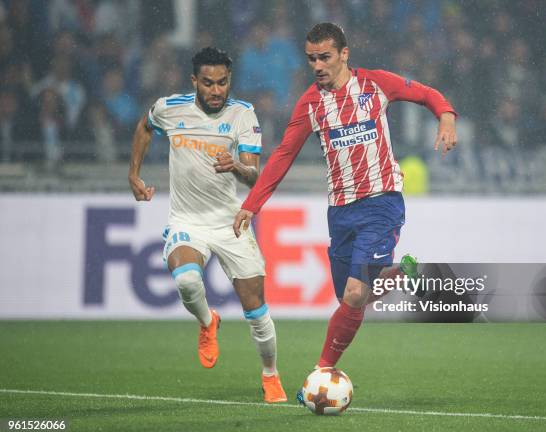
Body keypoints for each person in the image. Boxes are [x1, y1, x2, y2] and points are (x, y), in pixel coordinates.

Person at [234, 23, 457, 372]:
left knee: (354, 294)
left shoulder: (374, 83)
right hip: (339, 210)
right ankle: (405, 274)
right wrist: (252, 205)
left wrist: (446, 118)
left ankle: (323, 371)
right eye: (312, 59)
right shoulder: (310, 103)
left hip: (381, 202)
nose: (318, 65)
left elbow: (428, 94)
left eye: (325, 57)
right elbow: (282, 156)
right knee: (351, 299)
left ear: (344, 54)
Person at [128, 47, 287, 403]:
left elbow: (253, 176)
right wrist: (133, 173)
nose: (217, 90)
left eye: (223, 82)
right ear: (194, 81)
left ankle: (270, 374)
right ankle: (207, 321)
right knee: (186, 279)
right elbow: (144, 126)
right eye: (209, 83)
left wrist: (238, 167)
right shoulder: (169, 108)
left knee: (256, 308)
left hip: (229, 221)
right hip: (187, 220)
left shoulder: (242, 114)